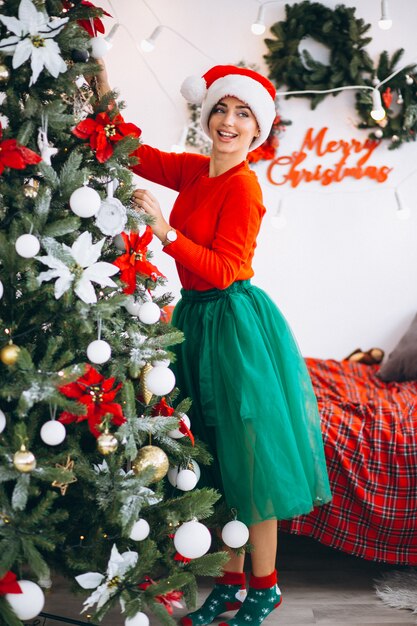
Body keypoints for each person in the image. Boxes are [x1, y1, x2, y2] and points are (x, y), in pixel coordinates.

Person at [93, 62, 332, 626]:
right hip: (197, 322)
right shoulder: (199, 172)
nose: (228, 121)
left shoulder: (244, 187)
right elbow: (139, 155)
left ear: (258, 130)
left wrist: (166, 233)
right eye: (220, 108)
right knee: (214, 461)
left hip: (235, 326)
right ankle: (227, 585)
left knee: (252, 464)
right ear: (205, 115)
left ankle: (265, 588)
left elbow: (226, 269)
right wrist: (104, 96)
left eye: (242, 113)